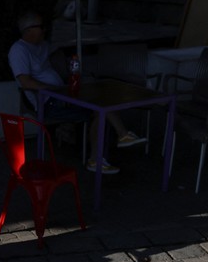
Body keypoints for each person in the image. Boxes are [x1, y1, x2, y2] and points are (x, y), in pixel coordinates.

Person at [8, 11, 144, 175]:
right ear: (28, 30)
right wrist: (54, 90)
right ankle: (118, 138)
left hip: (61, 95)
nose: (45, 30)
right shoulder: (19, 51)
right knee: (100, 107)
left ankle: (105, 151)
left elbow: (59, 50)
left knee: (100, 107)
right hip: (48, 102)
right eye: (41, 27)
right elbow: (25, 82)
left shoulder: (42, 45)